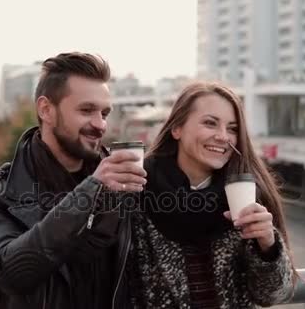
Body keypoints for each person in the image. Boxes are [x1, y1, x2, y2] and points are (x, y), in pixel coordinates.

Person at [0, 52, 146, 309]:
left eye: (104, 113)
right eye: (86, 110)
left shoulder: (126, 181)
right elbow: (11, 272)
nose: (100, 125)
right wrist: (89, 190)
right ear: (46, 110)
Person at [126, 82, 296, 308]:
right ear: (177, 128)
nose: (223, 137)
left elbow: (274, 296)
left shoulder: (247, 195)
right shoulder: (136, 188)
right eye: (210, 123)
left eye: (233, 129)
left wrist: (268, 247)